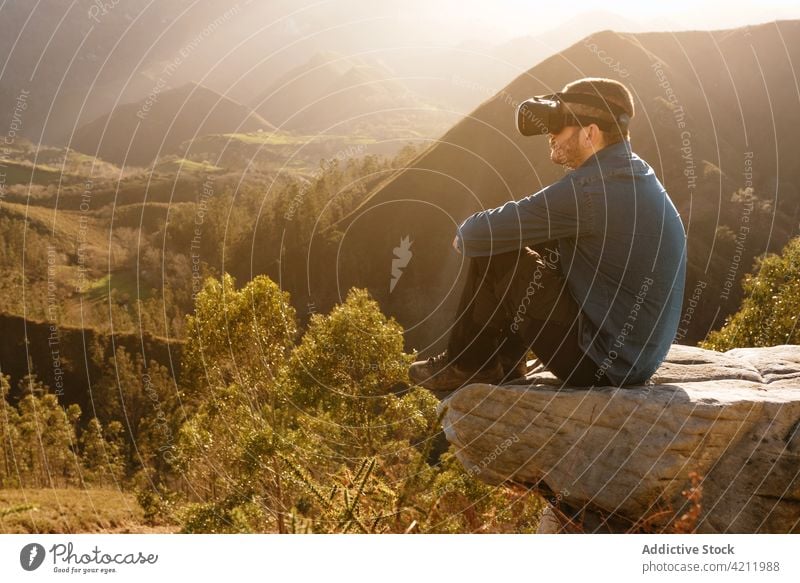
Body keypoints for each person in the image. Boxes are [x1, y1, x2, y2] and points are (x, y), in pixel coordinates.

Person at [409, 77, 686, 393]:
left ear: (590, 133)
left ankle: (468, 364)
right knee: (537, 242)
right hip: (633, 359)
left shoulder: (590, 190)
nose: (550, 134)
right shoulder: (633, 172)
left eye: (559, 125)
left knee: (497, 249)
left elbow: (473, 235)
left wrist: (467, 237)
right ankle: (502, 363)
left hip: (600, 365)